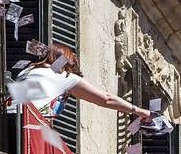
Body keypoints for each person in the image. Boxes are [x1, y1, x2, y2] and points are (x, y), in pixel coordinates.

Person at [13, 44, 152, 121]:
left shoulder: (28, 70)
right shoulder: (64, 76)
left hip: (3, 120)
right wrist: (140, 111)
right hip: (26, 123)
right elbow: (106, 99)